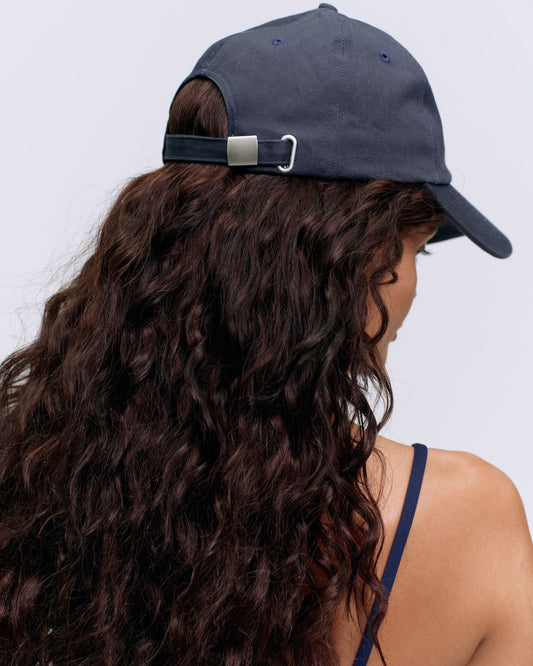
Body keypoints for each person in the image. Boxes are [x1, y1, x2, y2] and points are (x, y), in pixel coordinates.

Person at [0, 4, 532, 665]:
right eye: (416, 247)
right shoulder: (465, 522)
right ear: (348, 250)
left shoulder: (36, 485)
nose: (414, 289)